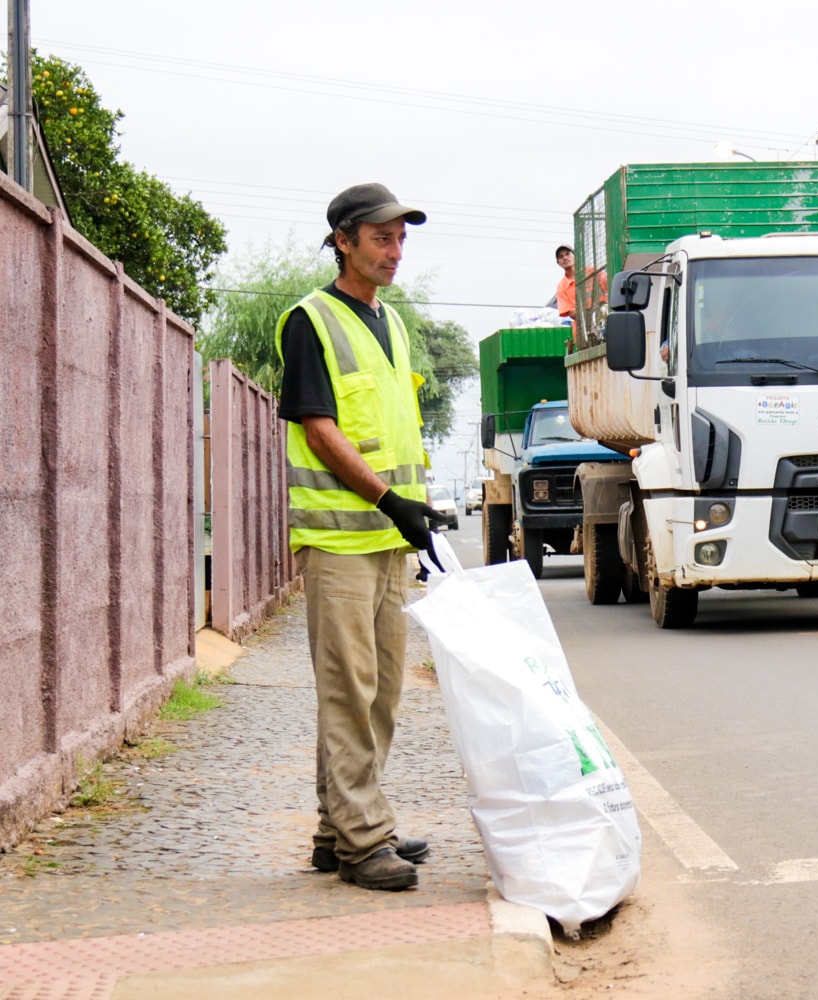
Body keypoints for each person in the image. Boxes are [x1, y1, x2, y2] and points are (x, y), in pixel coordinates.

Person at [276, 182, 444, 891]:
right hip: (341, 541)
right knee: (349, 692)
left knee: (380, 696)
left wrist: (416, 513)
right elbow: (320, 428)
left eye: (401, 238)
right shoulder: (309, 320)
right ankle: (363, 840)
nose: (394, 251)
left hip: (389, 542)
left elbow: (395, 431)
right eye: (381, 237)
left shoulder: (392, 324)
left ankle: (335, 831)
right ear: (343, 240)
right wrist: (388, 499)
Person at [554, 245, 577, 324]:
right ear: (558, 262)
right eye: (561, 256)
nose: (565, 258)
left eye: (568, 254)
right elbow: (572, 313)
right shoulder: (561, 287)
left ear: (575, 255)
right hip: (583, 330)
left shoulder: (591, 272)